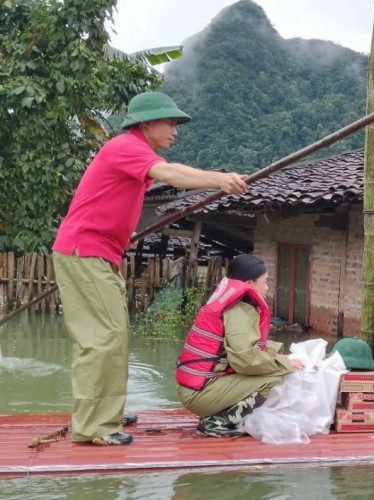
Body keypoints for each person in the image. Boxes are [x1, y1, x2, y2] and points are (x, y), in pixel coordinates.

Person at [52, 91, 250, 445]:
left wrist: (121, 235)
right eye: (170, 123)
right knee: (102, 338)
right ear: (146, 123)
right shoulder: (125, 146)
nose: (175, 131)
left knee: (111, 336)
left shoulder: (133, 153)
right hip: (86, 251)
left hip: (99, 251)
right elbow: (171, 174)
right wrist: (219, 179)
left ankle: (105, 411)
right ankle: (94, 425)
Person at [176, 254, 305, 437]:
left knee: (278, 369)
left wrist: (279, 356)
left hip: (195, 388)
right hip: (200, 393)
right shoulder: (239, 310)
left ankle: (219, 413)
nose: (267, 288)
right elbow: (245, 359)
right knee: (276, 379)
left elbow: (242, 349)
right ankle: (219, 422)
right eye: (265, 281)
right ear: (249, 282)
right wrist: (285, 364)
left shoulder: (231, 304)